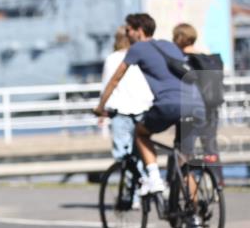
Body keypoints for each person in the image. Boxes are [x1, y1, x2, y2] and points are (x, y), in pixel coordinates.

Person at [94, 13, 205, 196]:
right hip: (195, 104)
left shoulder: (137, 49)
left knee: (140, 133)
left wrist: (100, 107)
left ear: (139, 31)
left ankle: (154, 179)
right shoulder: (169, 45)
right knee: (185, 161)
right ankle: (194, 218)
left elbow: (114, 80)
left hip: (170, 104)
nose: (127, 33)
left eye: (128, 29)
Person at [100, 25, 153, 160]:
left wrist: (101, 108)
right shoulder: (144, 57)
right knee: (142, 149)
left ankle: (131, 178)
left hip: (120, 110)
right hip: (143, 108)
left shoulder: (112, 59)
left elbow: (108, 85)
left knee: (123, 153)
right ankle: (146, 179)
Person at [172, 23, 222, 162]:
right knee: (211, 148)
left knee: (183, 149)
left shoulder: (182, 60)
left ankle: (182, 181)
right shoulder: (207, 59)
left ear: (179, 38)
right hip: (211, 107)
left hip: (191, 108)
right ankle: (217, 181)